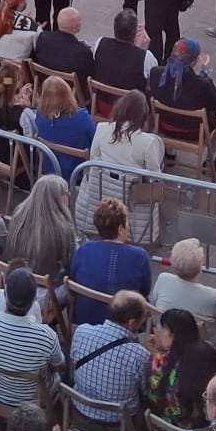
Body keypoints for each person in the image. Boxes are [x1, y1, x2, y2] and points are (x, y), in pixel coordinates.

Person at [75, 91, 167, 245]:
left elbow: (93, 159)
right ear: (143, 115)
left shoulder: (102, 128)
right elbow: (155, 178)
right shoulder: (147, 142)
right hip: (131, 204)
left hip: (101, 193)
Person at [0, 265, 63, 407]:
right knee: (65, 371)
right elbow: (59, 367)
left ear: (4, 294)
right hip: (33, 402)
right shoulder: (47, 336)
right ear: (35, 299)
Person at [68, 290, 151, 431]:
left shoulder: (81, 331)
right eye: (145, 316)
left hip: (79, 415)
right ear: (132, 322)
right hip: (118, 427)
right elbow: (146, 391)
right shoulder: (140, 355)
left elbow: (72, 369)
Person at [69, 198, 153, 323]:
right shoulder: (139, 256)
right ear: (120, 229)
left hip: (83, 324)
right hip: (123, 325)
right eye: (127, 224)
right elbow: (144, 291)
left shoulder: (84, 250)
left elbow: (73, 283)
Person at [146, 307, 216, 431]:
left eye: (162, 328)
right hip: (208, 429)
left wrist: (161, 353)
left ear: (172, 334)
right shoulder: (208, 349)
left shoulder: (159, 362)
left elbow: (154, 397)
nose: (158, 332)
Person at [153, 239, 216, 343]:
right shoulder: (211, 295)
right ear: (200, 267)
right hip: (197, 345)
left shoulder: (163, 279)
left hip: (166, 337)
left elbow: (153, 301)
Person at [22, 74, 96, 178]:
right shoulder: (82, 117)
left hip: (51, 172)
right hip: (79, 176)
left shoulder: (40, 117)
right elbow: (95, 142)